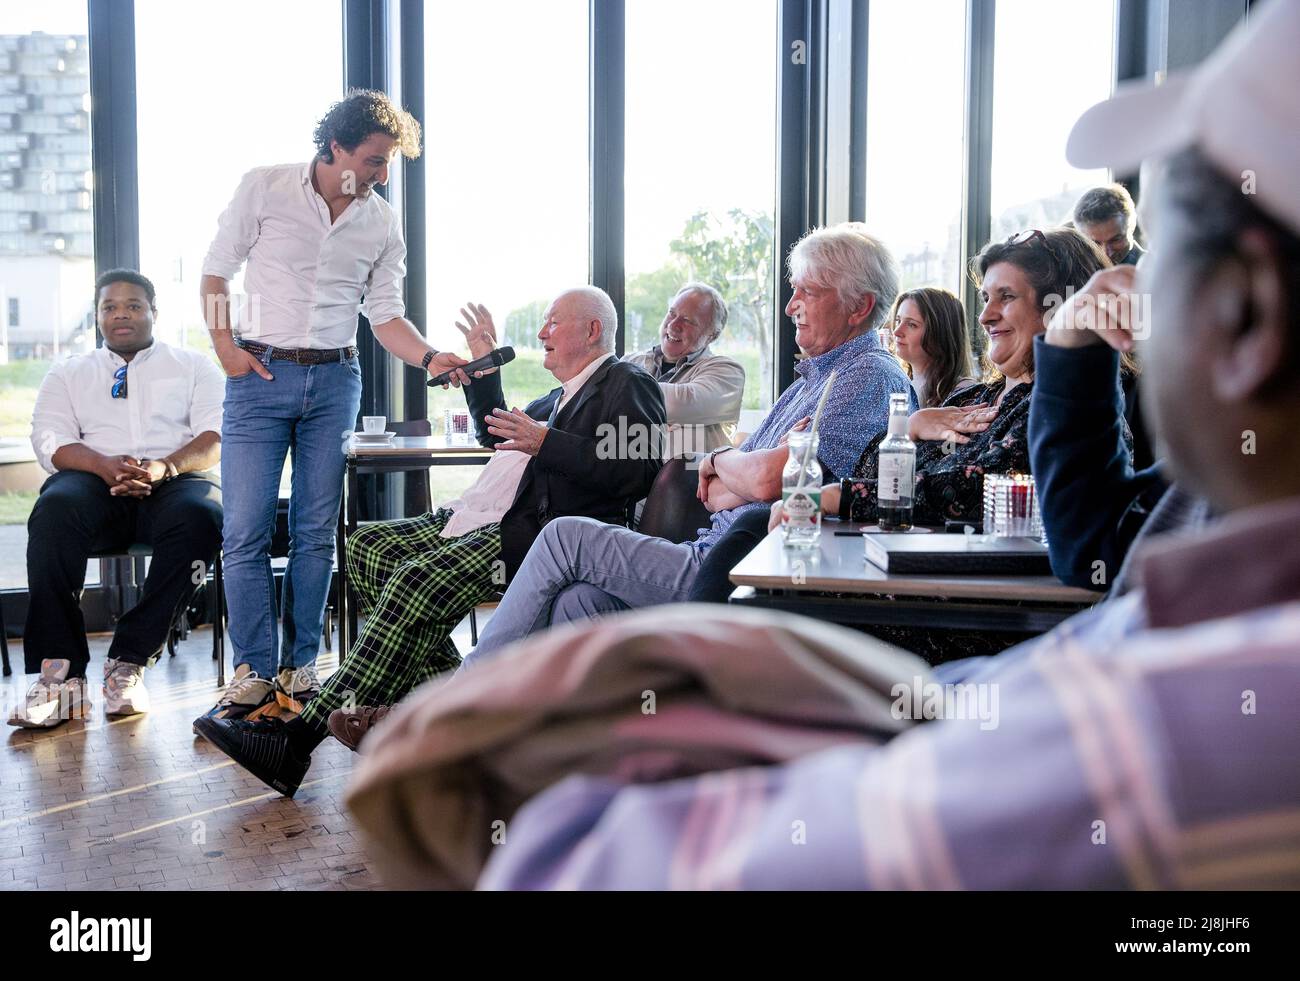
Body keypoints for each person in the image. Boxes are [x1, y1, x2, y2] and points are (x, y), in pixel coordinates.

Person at [429, 0, 1300, 887]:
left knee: (571, 571)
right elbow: (1097, 547)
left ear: (1246, 315)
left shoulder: (1191, 714)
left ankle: (450, 735)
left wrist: (457, 796)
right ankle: (480, 730)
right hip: (850, 603)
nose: (1127, 292)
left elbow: (593, 867)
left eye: (1156, 268)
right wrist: (1070, 355)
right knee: (584, 613)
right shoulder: (1197, 535)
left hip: (876, 613)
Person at [193, 287, 666, 796]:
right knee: (366, 548)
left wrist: (546, 441)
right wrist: (484, 368)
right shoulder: (557, 397)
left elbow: (636, 470)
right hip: (478, 516)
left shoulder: (627, 382)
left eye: (553, 322)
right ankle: (437, 699)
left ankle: (296, 741)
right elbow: (498, 435)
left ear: (592, 331)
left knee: (414, 582)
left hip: (536, 536)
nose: (541, 333)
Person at [461, 223, 915, 666]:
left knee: (564, 536)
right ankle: (579, 732)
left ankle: (464, 696)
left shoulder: (867, 377)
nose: (790, 305)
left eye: (808, 293)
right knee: (578, 604)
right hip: (709, 547)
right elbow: (716, 492)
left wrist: (726, 464)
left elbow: (763, 480)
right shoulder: (812, 379)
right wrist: (734, 468)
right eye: (793, 291)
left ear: (859, 308)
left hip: (746, 569)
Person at [196, 90, 471, 725]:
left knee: (317, 532)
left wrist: (432, 359)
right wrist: (225, 349)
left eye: (387, 164)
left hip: (335, 381)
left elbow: (386, 315)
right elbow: (215, 275)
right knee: (245, 531)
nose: (380, 175)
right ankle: (252, 673)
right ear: (336, 147)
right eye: (374, 160)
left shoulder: (382, 220)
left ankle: (299, 668)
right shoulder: (264, 188)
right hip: (259, 376)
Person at [12, 270, 223, 728]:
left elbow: (214, 437)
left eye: (133, 305)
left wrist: (164, 466)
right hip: (93, 480)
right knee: (53, 511)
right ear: (98, 317)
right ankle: (60, 678)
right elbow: (48, 439)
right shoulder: (69, 371)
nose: (121, 314)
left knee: (204, 516)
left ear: (153, 312)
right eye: (110, 307)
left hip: (174, 479)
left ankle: (129, 661)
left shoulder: (193, 366)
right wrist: (105, 465)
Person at [622, 282, 745, 460]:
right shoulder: (630, 362)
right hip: (628, 481)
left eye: (688, 321)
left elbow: (681, 403)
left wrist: (622, 394)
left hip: (691, 485)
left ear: (712, 335)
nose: (673, 325)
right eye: (672, 313)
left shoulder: (727, 372)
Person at [887, 287, 979, 409]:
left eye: (911, 324)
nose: (897, 331)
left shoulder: (965, 393)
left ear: (940, 333)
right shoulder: (898, 387)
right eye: (898, 321)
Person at [1072, 183, 1144, 266]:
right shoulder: (1071, 270)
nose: (1106, 254)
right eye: (1095, 244)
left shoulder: (1156, 272)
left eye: (1115, 240)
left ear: (1132, 227)